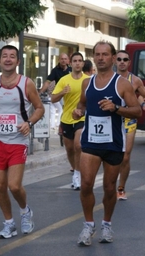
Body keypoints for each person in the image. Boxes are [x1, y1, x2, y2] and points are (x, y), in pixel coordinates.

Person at [72, 41, 142, 246]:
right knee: (86, 184)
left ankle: (107, 225)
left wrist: (116, 108)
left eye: (105, 54)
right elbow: (83, 103)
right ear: (93, 57)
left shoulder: (122, 84)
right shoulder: (88, 83)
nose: (101, 58)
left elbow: (137, 110)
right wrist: (79, 111)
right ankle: (88, 225)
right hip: (91, 141)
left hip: (113, 142)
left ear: (112, 58)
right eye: (97, 54)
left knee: (110, 188)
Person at [0, 45, 45, 239]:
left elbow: (39, 108)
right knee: (0, 186)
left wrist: (29, 123)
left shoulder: (26, 84)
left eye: (12, 56)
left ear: (18, 61)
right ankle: (9, 223)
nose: (8, 59)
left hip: (18, 140)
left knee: (14, 185)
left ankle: (25, 211)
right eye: (4, 56)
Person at [114, 50, 145, 200]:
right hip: (113, 119)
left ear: (129, 62)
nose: (122, 62)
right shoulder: (110, 79)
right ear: (115, 61)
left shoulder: (135, 80)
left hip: (129, 119)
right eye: (119, 59)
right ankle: (111, 184)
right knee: (112, 155)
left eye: (125, 59)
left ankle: (121, 187)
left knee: (125, 156)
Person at [52, 52, 89, 190]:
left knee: (78, 145)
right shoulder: (64, 80)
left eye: (80, 61)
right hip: (67, 118)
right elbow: (53, 98)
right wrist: (63, 92)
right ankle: (75, 169)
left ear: (83, 63)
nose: (77, 63)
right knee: (69, 148)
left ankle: (77, 175)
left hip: (82, 117)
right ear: (70, 63)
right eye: (75, 61)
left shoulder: (88, 80)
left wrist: (83, 110)